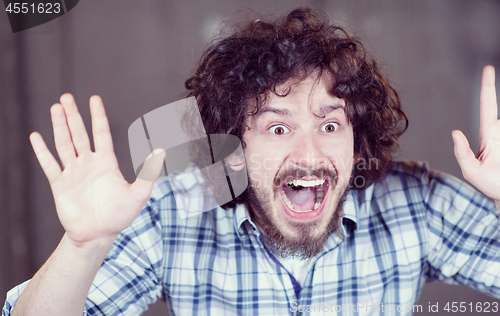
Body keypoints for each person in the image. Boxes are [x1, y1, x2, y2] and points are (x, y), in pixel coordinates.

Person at [3, 7, 500, 316]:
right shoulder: (172, 210)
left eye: (330, 126)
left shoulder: (415, 202)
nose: (309, 155)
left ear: (357, 139)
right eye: (277, 128)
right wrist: (84, 246)